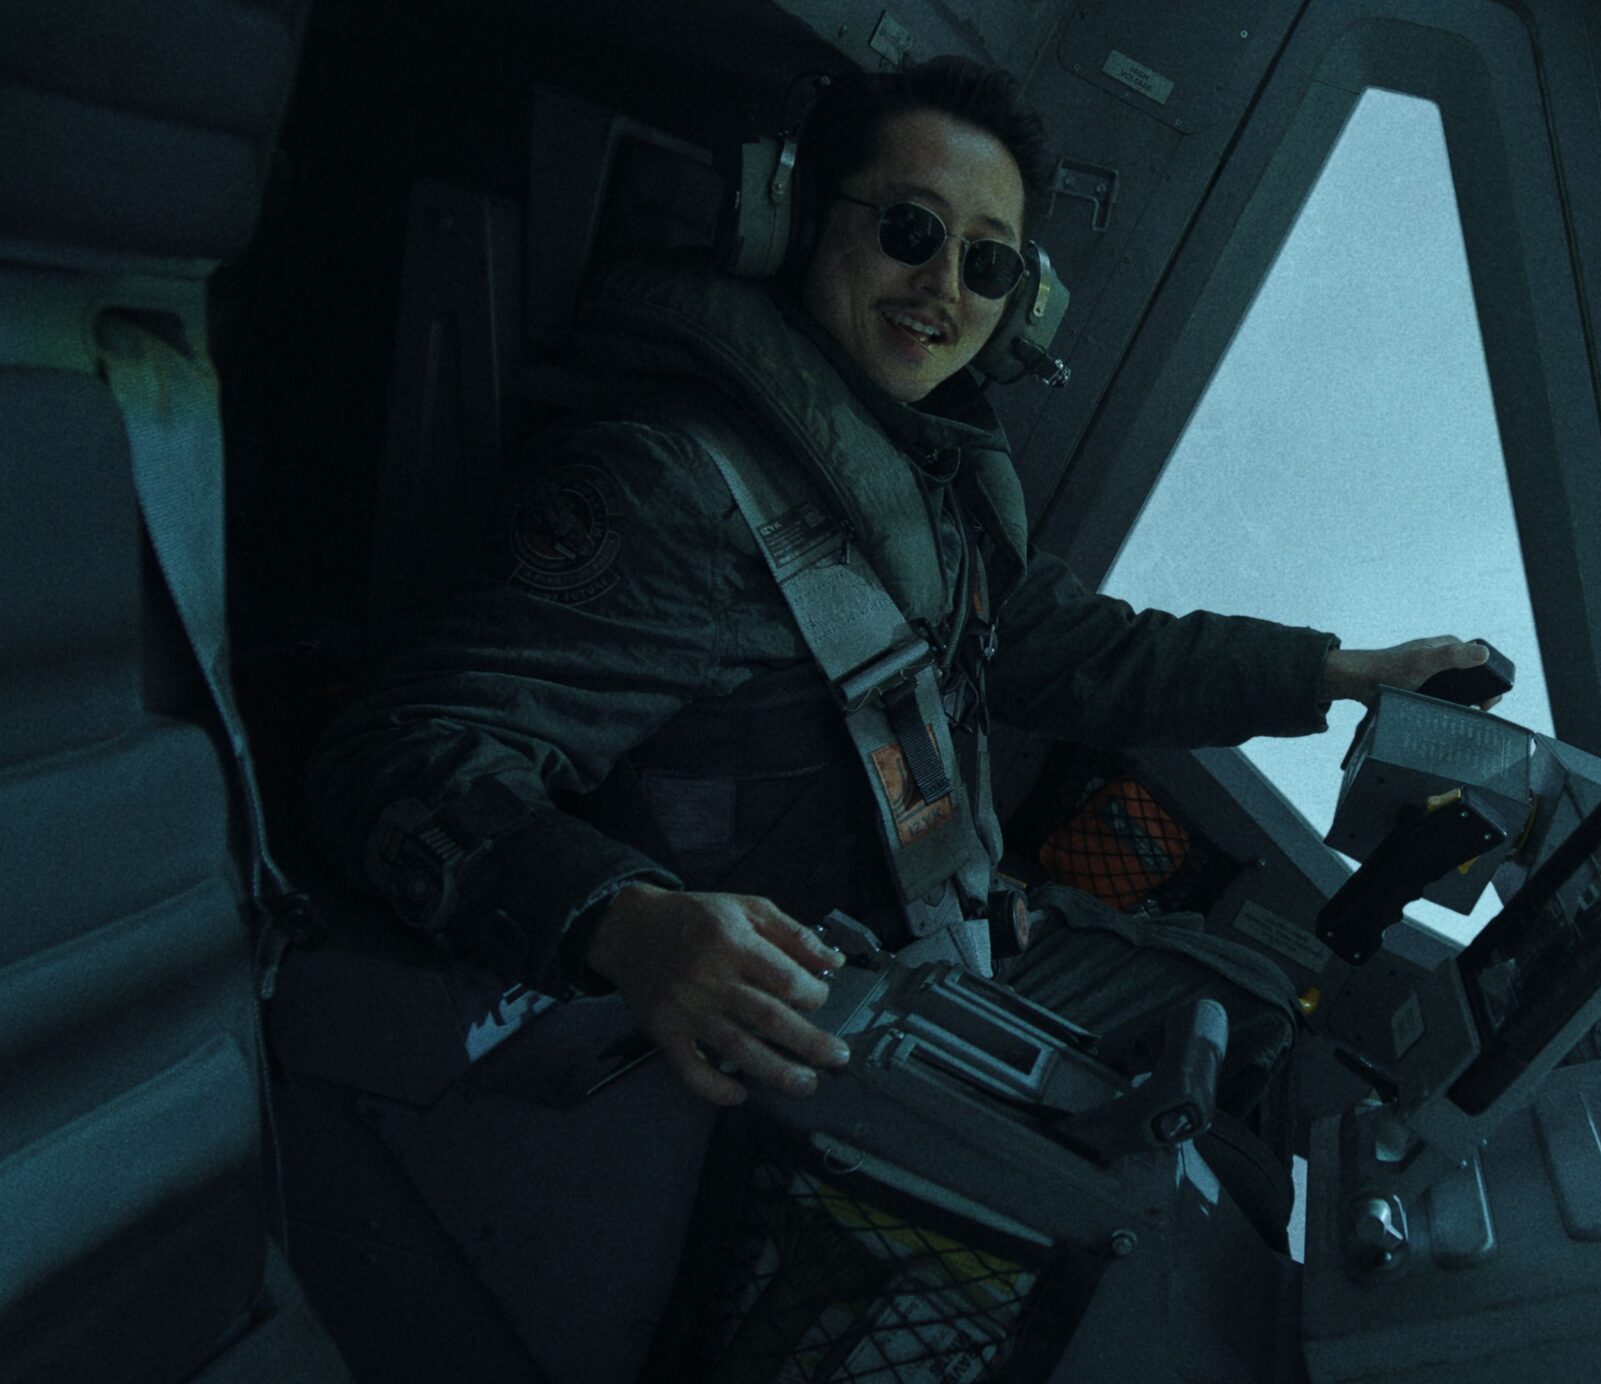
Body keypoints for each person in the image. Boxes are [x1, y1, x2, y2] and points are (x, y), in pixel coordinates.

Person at [303, 55, 1495, 1109]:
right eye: (909, 230)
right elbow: (396, 760)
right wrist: (631, 922)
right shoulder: (671, 487)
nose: (943, 289)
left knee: (1272, 1028)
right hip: (789, 1038)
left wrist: (1342, 673)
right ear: (795, 221)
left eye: (987, 261)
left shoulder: (914, 487)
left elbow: (1090, 650)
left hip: (944, 961)